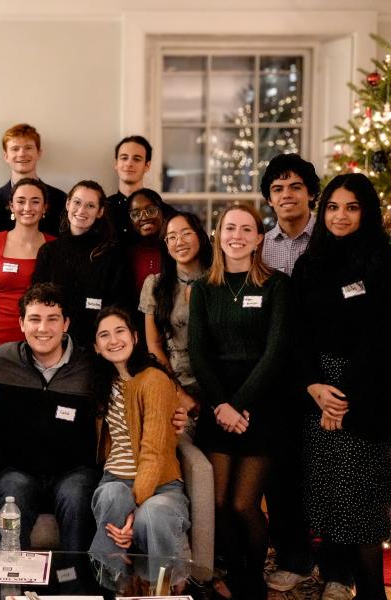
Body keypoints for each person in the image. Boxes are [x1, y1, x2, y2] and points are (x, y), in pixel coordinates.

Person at [292, 173, 391, 600]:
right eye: (333, 206)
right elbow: (296, 335)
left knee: (363, 518)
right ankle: (339, 584)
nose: (340, 215)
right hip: (318, 395)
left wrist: (342, 401)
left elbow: (381, 338)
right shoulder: (308, 263)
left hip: (365, 400)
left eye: (351, 207)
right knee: (331, 508)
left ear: (365, 212)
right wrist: (315, 388)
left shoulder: (383, 261)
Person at [188, 204, 291, 600]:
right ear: (217, 234)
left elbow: (276, 351)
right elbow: (199, 353)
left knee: (245, 503)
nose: (237, 235)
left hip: (262, 406)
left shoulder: (276, 285)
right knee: (216, 502)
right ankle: (234, 575)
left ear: (259, 238)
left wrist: (240, 404)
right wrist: (220, 405)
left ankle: (253, 586)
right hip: (218, 403)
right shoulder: (203, 288)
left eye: (246, 229)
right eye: (229, 228)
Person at [0, 283, 99, 551]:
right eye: (34, 319)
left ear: (66, 323)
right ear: (21, 323)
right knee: (10, 497)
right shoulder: (3, 360)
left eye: (52, 319)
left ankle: (74, 588)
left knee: (78, 498)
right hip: (19, 472)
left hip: (73, 473)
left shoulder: (90, 365)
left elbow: (128, 391)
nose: (43, 328)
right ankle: (9, 588)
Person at [259, 153, 320, 593]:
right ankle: (294, 557)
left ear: (312, 193)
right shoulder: (261, 245)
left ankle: (337, 565)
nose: (286, 195)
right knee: (281, 470)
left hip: (323, 368)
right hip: (275, 374)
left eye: (295, 186)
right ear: (268, 198)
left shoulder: (330, 239)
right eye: (277, 189)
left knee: (330, 469)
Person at [89, 306, 189, 559]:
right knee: (112, 495)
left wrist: (134, 508)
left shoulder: (154, 380)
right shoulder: (102, 383)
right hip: (114, 478)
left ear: (134, 337)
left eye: (120, 331)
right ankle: (114, 586)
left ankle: (162, 589)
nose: (113, 340)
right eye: (104, 335)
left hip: (161, 484)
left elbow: (153, 452)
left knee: (152, 514)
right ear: (96, 347)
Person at [0, 178, 54, 367]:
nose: (27, 207)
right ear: (11, 206)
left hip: (44, 344)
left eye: (35, 201)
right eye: (21, 201)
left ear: (44, 208)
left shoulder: (54, 246)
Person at [33, 180, 124, 349]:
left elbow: (118, 306)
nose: (81, 210)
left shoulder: (112, 254)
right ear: (68, 203)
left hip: (98, 346)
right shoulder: (49, 251)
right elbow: (37, 301)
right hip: (54, 344)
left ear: (100, 212)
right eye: (77, 202)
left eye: (90, 206)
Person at [139, 212, 212, 418]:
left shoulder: (218, 280)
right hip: (176, 385)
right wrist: (178, 392)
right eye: (171, 237)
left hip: (219, 388)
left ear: (200, 236)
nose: (179, 242)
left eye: (186, 233)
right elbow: (153, 345)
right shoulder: (155, 284)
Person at [0, 123, 65, 235]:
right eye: (15, 149)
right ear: (6, 156)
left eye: (28, 148)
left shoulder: (60, 199)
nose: (22, 154)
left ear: (39, 153)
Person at [122, 188, 176, 323]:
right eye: (135, 214)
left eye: (151, 210)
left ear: (162, 211)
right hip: (135, 328)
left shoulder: (175, 249)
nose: (144, 217)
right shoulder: (125, 254)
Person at [106, 135, 152, 240]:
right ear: (116, 163)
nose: (129, 163)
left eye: (137, 159)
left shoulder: (159, 210)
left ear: (147, 166)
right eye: (124, 158)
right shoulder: (101, 210)